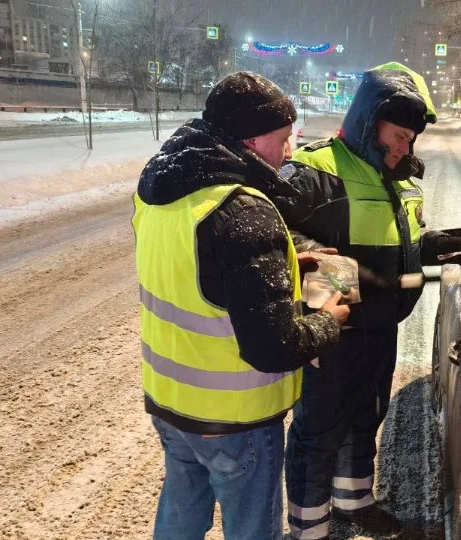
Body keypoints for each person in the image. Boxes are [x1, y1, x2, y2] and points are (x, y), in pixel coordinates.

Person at [132, 72, 350, 540]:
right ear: (251, 139)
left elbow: (199, 271)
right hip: (234, 418)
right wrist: (328, 322)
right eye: (282, 138)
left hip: (170, 404)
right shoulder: (244, 210)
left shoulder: (160, 194)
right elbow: (274, 347)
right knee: (252, 530)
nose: (289, 151)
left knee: (180, 518)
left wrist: (286, 262)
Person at [274, 62, 461, 539]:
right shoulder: (315, 170)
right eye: (399, 135)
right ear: (371, 121)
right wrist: (337, 287)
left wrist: (428, 246)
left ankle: (354, 501)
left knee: (367, 415)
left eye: (412, 138)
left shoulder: (399, 180)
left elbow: (397, 241)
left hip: (382, 326)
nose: (406, 147)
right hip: (334, 330)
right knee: (320, 429)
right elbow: (281, 239)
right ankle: (308, 527)